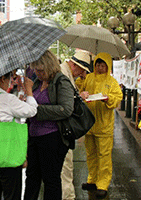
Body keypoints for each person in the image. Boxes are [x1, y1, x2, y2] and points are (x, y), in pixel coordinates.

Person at [0, 71, 37, 200]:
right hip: (7, 153)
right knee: (12, 194)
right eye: (10, 78)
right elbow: (32, 111)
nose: (11, 81)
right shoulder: (7, 98)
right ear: (2, 78)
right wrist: (29, 92)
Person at [24, 50, 75, 200]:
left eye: (40, 70)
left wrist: (37, 109)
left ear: (49, 66)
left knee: (50, 179)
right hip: (34, 137)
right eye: (36, 70)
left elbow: (66, 109)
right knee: (32, 176)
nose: (38, 73)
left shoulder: (61, 81)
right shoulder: (37, 83)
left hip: (52, 138)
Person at [80, 52, 123, 199]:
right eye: (98, 64)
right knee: (91, 154)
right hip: (89, 124)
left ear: (108, 66)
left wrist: (108, 99)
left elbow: (117, 98)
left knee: (104, 156)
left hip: (104, 126)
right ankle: (92, 179)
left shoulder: (112, 82)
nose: (100, 67)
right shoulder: (89, 77)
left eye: (103, 65)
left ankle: (103, 184)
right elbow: (81, 90)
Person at [60, 50, 91, 200]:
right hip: (62, 129)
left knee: (66, 166)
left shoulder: (65, 73)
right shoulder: (63, 74)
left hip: (62, 128)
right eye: (82, 71)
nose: (82, 75)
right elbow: (66, 103)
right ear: (74, 66)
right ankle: (68, 197)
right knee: (66, 166)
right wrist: (80, 97)